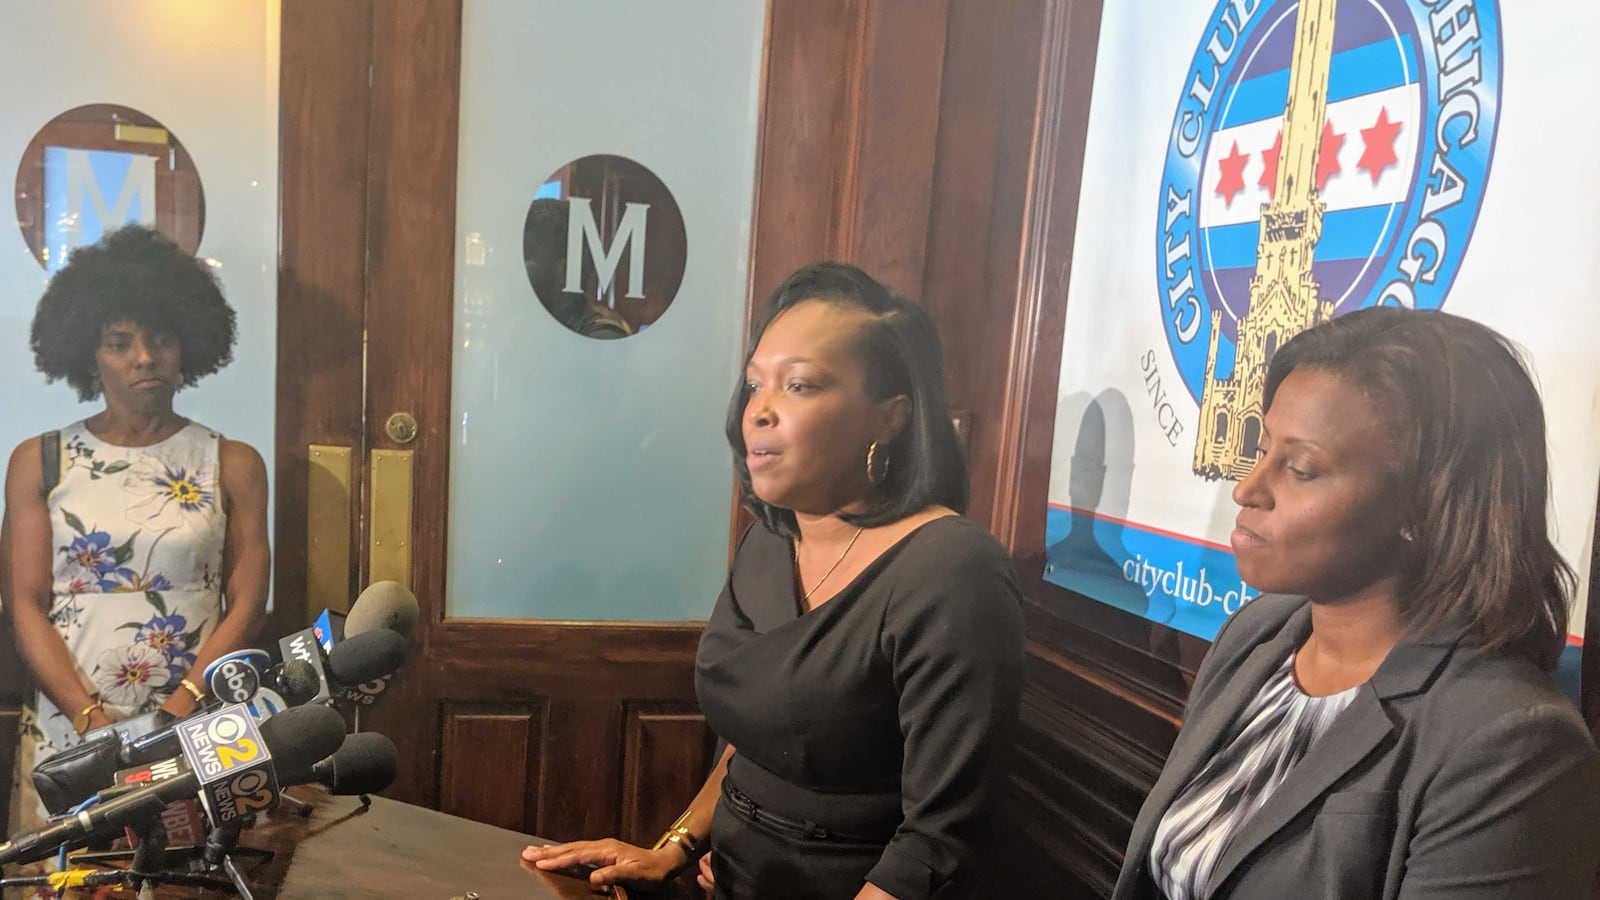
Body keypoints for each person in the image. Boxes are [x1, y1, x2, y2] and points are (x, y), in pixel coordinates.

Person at [522, 262, 1025, 898]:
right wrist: (672, 848)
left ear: (890, 418)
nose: (759, 411)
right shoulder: (769, 540)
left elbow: (941, 841)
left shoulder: (953, 571)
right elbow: (750, 741)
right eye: (755, 385)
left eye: (800, 386)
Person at [1112, 307, 1600, 899]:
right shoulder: (1258, 636)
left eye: (1301, 468)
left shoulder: (1512, 746)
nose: (1247, 488)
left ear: (1422, 508)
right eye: (1262, 448)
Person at [0, 226, 270, 890]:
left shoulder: (231, 462)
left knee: (190, 881)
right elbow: (25, 604)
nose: (144, 358)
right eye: (119, 343)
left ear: (188, 351)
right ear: (89, 355)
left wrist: (183, 702)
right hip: (74, 726)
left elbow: (247, 602)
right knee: (71, 881)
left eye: (162, 340)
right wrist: (91, 720)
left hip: (195, 723)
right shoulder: (41, 460)